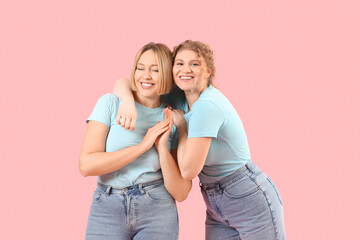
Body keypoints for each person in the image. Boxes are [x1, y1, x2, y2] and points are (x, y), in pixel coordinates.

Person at [113, 40, 286, 240]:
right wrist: (127, 101)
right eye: (179, 63)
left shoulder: (207, 106)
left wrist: (183, 127)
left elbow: (188, 170)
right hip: (215, 200)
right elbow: (125, 82)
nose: (186, 69)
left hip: (247, 196)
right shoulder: (182, 96)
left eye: (194, 64)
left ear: (208, 71)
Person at [79, 42, 192, 240]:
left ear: (167, 74)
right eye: (140, 68)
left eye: (155, 70)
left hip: (157, 208)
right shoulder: (111, 103)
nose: (145, 76)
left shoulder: (173, 118)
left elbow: (181, 192)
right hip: (107, 206)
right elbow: (86, 166)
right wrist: (142, 146)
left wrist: (162, 149)